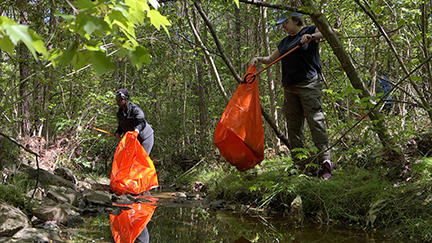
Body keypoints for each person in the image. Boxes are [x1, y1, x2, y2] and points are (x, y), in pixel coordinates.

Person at [250, 11, 339, 179]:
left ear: (296, 20)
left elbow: (334, 32)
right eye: (281, 24)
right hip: (289, 88)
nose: (283, 26)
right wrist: (258, 59)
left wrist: (311, 36)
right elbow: (270, 58)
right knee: (293, 125)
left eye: (286, 22)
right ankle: (299, 164)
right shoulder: (283, 42)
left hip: (309, 84)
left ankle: (325, 163)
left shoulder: (310, 30)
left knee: (315, 120)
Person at [114, 88, 154, 155]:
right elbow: (121, 126)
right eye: (117, 100)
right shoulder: (119, 113)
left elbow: (142, 122)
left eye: (120, 100)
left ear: (125, 99)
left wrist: (137, 130)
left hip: (144, 138)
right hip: (133, 140)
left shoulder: (135, 109)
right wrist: (118, 133)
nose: (118, 102)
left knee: (141, 160)